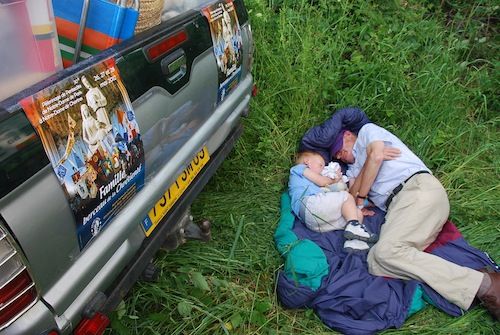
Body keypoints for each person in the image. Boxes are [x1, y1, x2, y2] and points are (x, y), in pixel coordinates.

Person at [332, 123, 499, 319]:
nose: (338, 154)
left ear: (349, 134)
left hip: (417, 189)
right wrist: (367, 166)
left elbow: (374, 162)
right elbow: (351, 195)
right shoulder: (353, 169)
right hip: (400, 205)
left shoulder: (368, 132)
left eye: (338, 146)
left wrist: (365, 184)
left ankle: (487, 286)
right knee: (375, 261)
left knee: (385, 253)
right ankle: (478, 280)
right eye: (335, 154)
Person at [288, 150, 378, 251]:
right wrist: (333, 180)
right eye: (321, 165)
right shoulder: (299, 169)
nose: (323, 169)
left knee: (356, 213)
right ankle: (354, 226)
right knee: (346, 197)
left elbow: (333, 196)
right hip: (309, 204)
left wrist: (339, 182)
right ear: (307, 162)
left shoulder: (313, 186)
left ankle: (354, 241)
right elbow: (322, 181)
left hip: (315, 223)